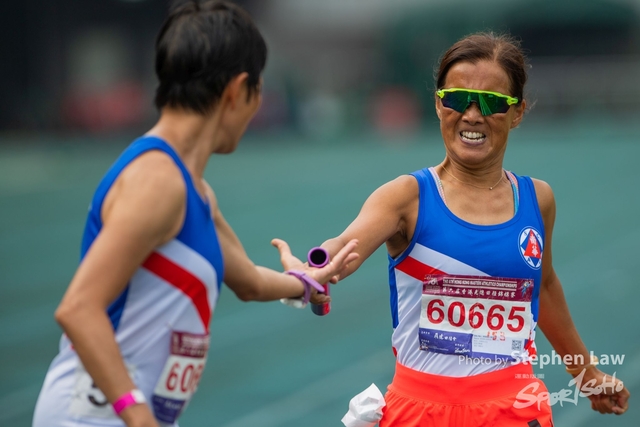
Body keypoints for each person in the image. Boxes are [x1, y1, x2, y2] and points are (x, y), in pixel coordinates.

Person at [31, 2, 358, 427]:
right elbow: (78, 308)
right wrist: (139, 416)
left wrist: (306, 282)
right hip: (93, 417)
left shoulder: (194, 191)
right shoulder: (158, 182)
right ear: (237, 91)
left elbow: (249, 281)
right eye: (259, 91)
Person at [322, 32, 630, 426]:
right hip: (418, 413)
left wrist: (585, 373)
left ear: (517, 112)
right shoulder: (406, 197)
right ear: (439, 104)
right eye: (457, 98)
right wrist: (315, 269)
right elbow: (344, 246)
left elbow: (543, 286)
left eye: (491, 103)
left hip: (515, 410)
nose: (472, 115)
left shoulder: (538, 200)